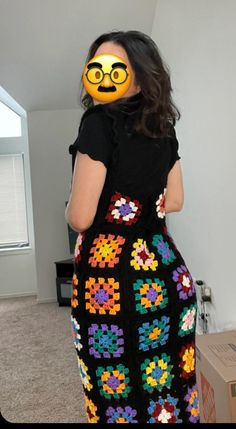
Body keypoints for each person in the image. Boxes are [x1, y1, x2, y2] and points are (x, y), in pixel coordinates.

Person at [65, 30, 200, 424]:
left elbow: (80, 217)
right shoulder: (164, 127)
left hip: (114, 286)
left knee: (115, 396)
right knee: (171, 393)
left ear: (140, 74)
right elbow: (174, 201)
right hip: (168, 277)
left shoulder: (97, 122)